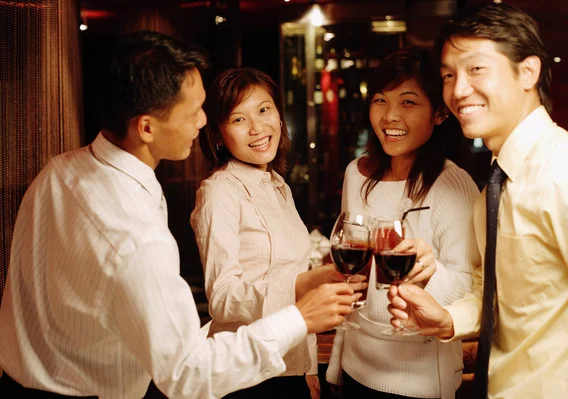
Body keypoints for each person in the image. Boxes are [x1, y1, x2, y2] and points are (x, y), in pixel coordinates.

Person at [0, 31, 360, 399]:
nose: (204, 121)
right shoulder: (136, 236)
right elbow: (187, 372)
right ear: (147, 127)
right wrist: (299, 317)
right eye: (193, 112)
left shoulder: (59, 170)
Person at [388, 4, 568, 399]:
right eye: (449, 75)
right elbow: (500, 294)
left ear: (528, 72)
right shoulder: (495, 186)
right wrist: (447, 318)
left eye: (476, 69)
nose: (458, 89)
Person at [190, 67, 366, 399]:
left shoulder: (278, 185)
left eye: (263, 109)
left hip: (290, 367)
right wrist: (304, 284)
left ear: (279, 116)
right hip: (248, 371)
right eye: (238, 119)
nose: (257, 127)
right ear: (217, 135)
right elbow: (222, 298)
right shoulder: (218, 192)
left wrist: (308, 365)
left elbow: (295, 271)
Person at [325, 48, 480, 399]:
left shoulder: (453, 184)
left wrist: (428, 274)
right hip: (355, 365)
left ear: (440, 113)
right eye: (381, 100)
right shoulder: (356, 173)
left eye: (408, 102)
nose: (390, 116)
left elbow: (469, 286)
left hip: (418, 380)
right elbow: (356, 275)